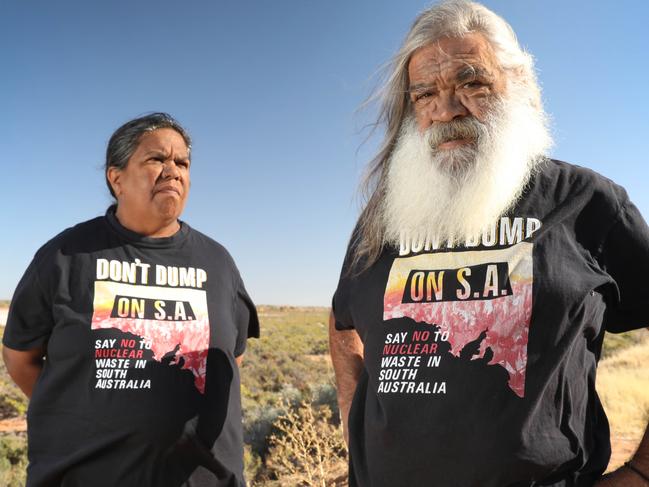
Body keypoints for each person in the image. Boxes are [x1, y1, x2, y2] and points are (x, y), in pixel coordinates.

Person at [329, 1, 649, 486]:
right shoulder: (385, 215)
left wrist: (643, 470)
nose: (446, 110)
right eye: (425, 94)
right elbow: (342, 319)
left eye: (472, 83)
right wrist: (356, 425)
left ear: (517, 85)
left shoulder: (588, 202)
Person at [2, 113, 259, 487]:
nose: (172, 170)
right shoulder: (64, 256)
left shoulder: (218, 263)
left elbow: (229, 362)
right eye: (156, 159)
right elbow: (19, 359)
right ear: (116, 177)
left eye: (182, 162)